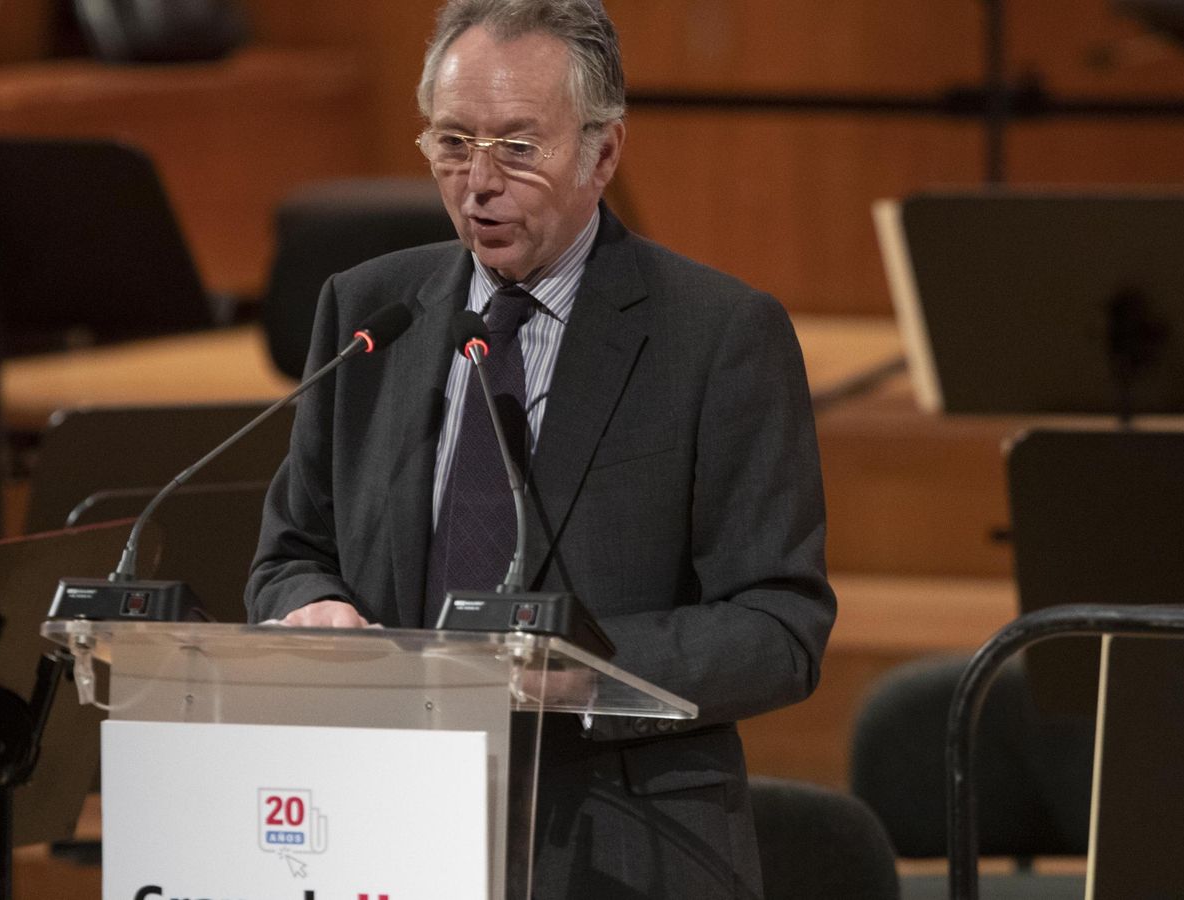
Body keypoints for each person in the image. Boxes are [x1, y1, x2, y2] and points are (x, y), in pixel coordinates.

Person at [246, 0, 835, 896]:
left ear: (603, 152)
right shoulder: (369, 312)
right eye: (452, 143)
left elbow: (780, 627)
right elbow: (291, 554)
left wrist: (585, 674)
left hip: (617, 845)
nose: (479, 182)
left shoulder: (717, 336)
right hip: (382, 822)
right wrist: (311, 608)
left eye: (518, 148)